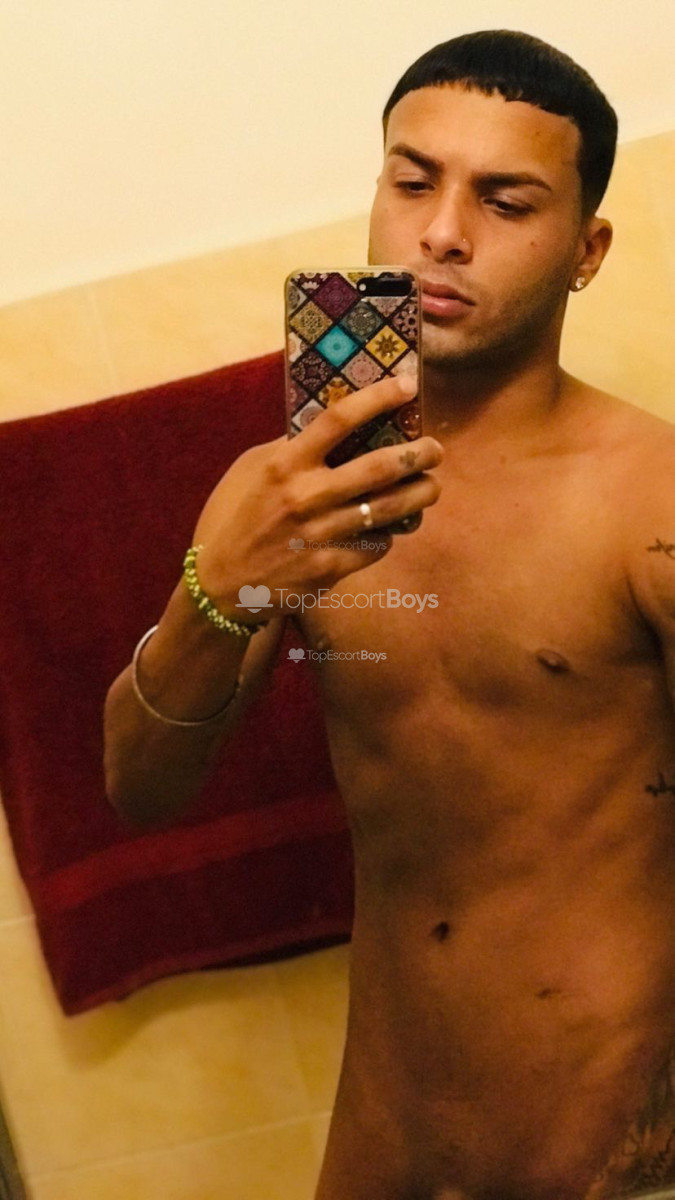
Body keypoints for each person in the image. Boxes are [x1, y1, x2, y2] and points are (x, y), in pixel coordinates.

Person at [103, 29, 675, 1200]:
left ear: (587, 249)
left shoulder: (648, 500)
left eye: (505, 201)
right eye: (413, 181)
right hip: (382, 1148)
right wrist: (225, 590)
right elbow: (139, 787)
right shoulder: (289, 492)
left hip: (604, 1155)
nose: (443, 232)